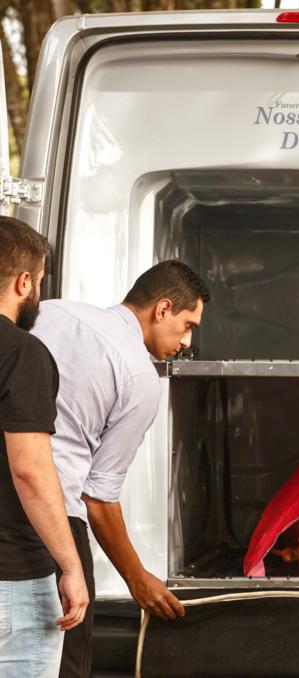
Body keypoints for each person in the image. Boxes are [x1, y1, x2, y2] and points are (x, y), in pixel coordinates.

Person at [32, 260, 209, 678]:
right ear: (162, 309)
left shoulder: (51, 311)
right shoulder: (138, 375)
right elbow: (97, 498)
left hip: (12, 501)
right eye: (188, 326)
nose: (186, 342)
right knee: (65, 661)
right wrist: (137, 579)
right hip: (54, 524)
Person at [0, 216, 88, 677]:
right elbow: (30, 470)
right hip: (10, 577)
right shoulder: (20, 352)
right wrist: (70, 567)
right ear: (24, 281)